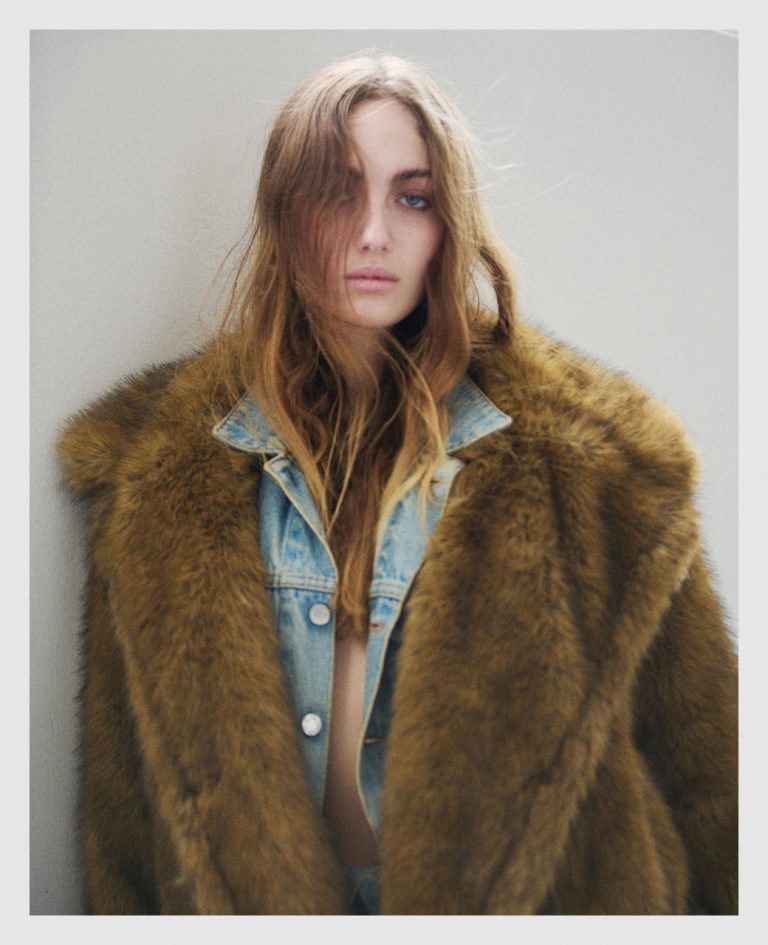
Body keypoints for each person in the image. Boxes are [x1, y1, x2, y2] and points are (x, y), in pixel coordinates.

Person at [57, 53, 737, 915]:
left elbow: (712, 793)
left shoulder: (601, 469)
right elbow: (123, 832)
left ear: (449, 224)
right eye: (338, 193)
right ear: (285, 214)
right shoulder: (157, 478)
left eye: (413, 198)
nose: (374, 233)